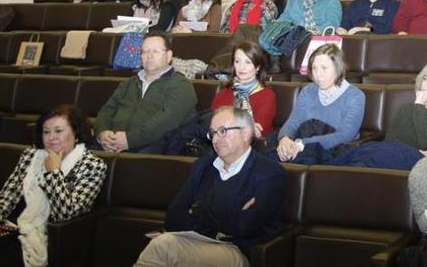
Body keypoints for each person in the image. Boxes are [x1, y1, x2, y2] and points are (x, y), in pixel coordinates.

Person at [135, 106, 288, 267]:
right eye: (212, 133)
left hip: (236, 250)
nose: (215, 139)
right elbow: (173, 217)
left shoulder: (270, 173)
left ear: (245, 133)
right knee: (164, 244)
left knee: (163, 247)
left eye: (222, 131)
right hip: (196, 240)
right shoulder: (203, 166)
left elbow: (245, 226)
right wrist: (228, 217)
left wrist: (198, 211)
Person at [0, 106, 107, 267]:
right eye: (46, 132)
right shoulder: (30, 155)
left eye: (58, 131)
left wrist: (53, 172)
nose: (51, 137)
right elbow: (5, 198)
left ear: (76, 133)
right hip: (10, 226)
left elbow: (65, 214)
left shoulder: (92, 165)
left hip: (44, 234)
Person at [95, 32, 198, 152]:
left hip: (154, 149)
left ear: (169, 56)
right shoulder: (129, 83)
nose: (149, 56)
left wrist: (129, 140)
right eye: (145, 51)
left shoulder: (181, 86)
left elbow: (165, 123)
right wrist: (102, 133)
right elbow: (107, 110)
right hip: (113, 144)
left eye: (155, 51)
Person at [276, 44, 365, 162]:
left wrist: (302, 144)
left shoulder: (355, 96)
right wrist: (284, 139)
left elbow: (345, 135)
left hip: (336, 154)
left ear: (338, 68)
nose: (318, 75)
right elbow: (293, 122)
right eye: (314, 68)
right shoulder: (308, 91)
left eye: (324, 68)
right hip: (300, 147)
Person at [210, 42, 276, 138]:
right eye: (237, 61)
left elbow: (259, 132)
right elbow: (212, 124)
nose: (242, 67)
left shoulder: (267, 95)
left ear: (258, 67)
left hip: (255, 148)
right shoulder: (224, 92)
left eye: (248, 62)